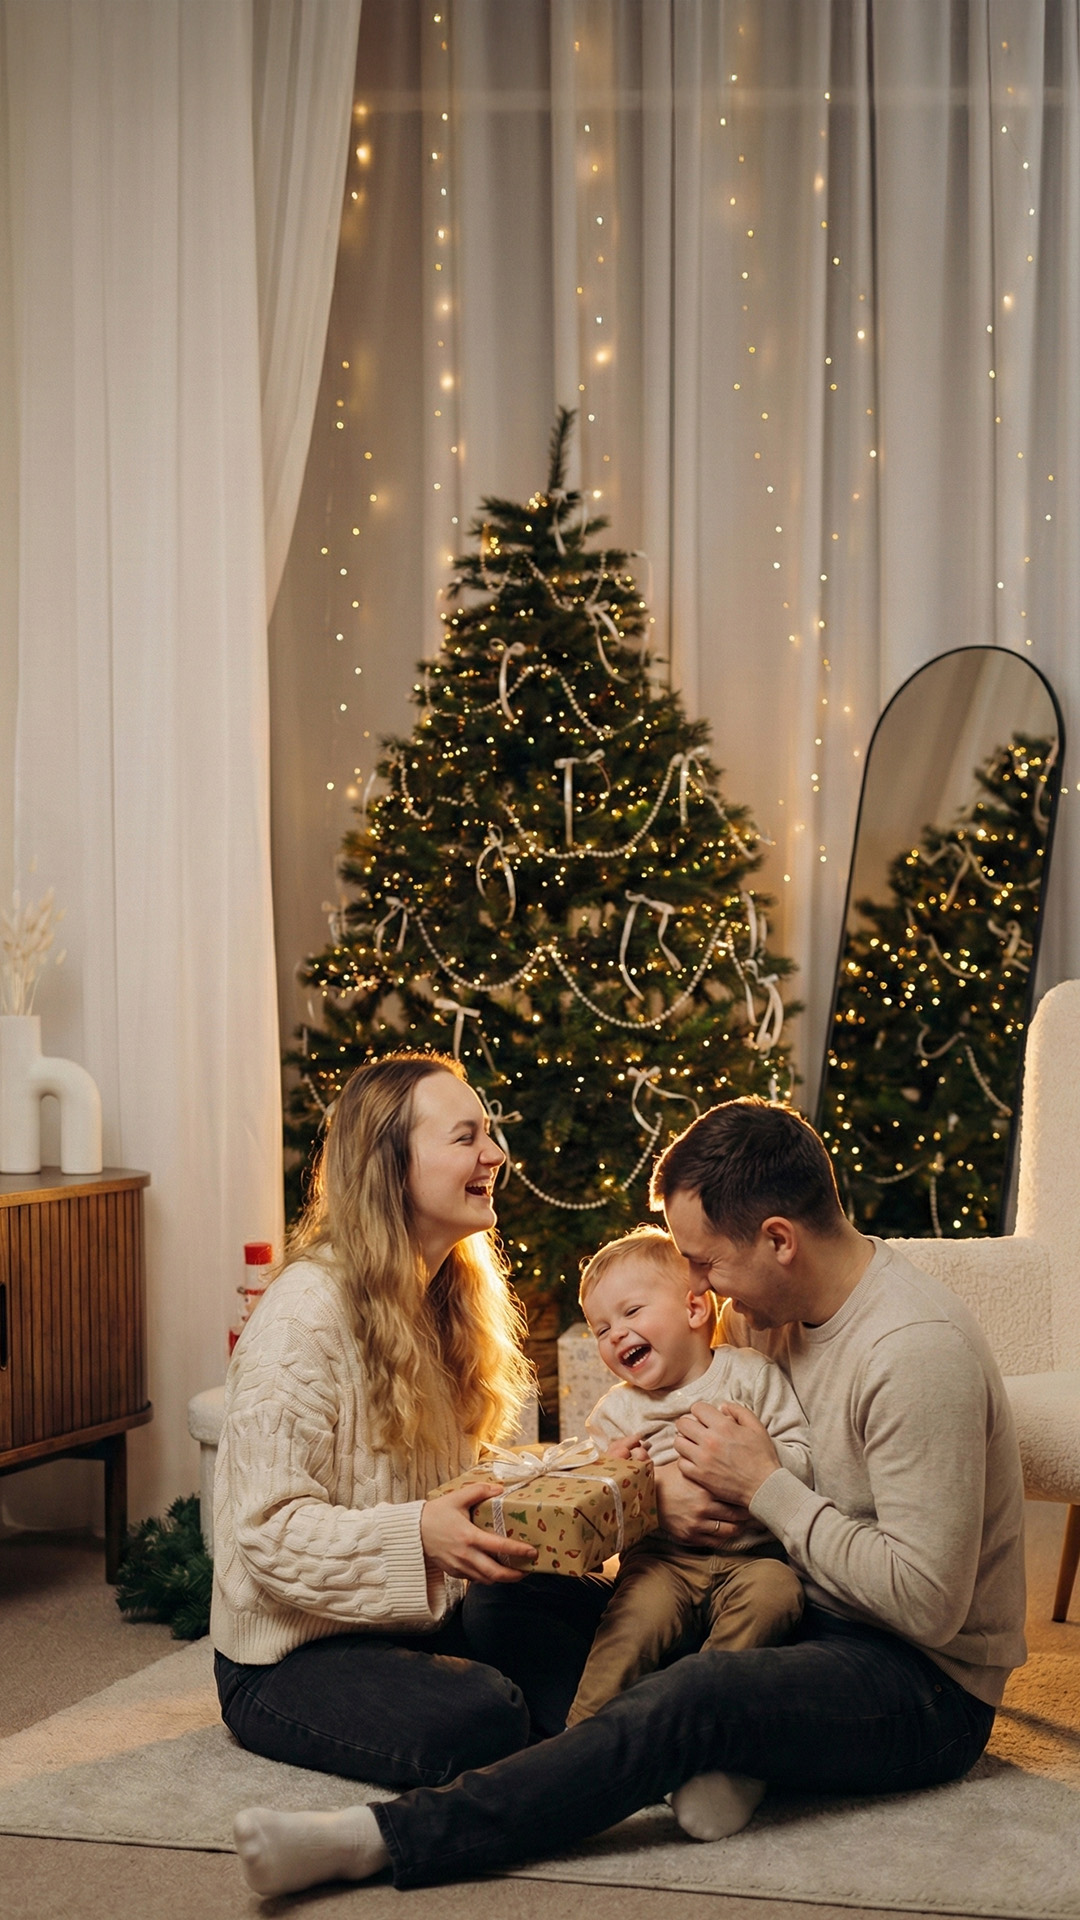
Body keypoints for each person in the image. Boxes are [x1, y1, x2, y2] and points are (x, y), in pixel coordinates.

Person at [234, 1096, 1027, 1899]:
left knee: (697, 1691)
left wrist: (766, 1488)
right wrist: (669, 1499)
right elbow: (689, 1442)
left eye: (706, 1263)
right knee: (515, 1602)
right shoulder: (768, 1311)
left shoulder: (913, 1353)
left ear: (778, 1240)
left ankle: (385, 1836)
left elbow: (928, 1607)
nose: (702, 1291)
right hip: (786, 1605)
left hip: (912, 1677)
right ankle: (647, 1748)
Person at [215, 1049, 544, 1886]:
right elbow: (263, 1535)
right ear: (390, 1166)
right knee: (486, 1715)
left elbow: (457, 1481)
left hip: (418, 1620)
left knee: (591, 1613)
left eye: (489, 1135)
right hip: (289, 1656)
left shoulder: (449, 1294)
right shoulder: (304, 1314)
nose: (494, 1156)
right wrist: (421, 1536)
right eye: (466, 1137)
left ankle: (653, 1740)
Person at [567, 1224, 810, 1725]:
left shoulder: (751, 1375)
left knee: (779, 1594)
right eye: (600, 1329)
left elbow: (805, 1461)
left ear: (695, 1309)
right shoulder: (615, 1414)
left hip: (752, 1558)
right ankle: (581, 1737)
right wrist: (616, 1478)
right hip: (662, 1562)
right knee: (629, 1625)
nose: (615, 1335)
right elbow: (594, 1523)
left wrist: (766, 1459)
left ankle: (699, 1712)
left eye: (631, 1312)